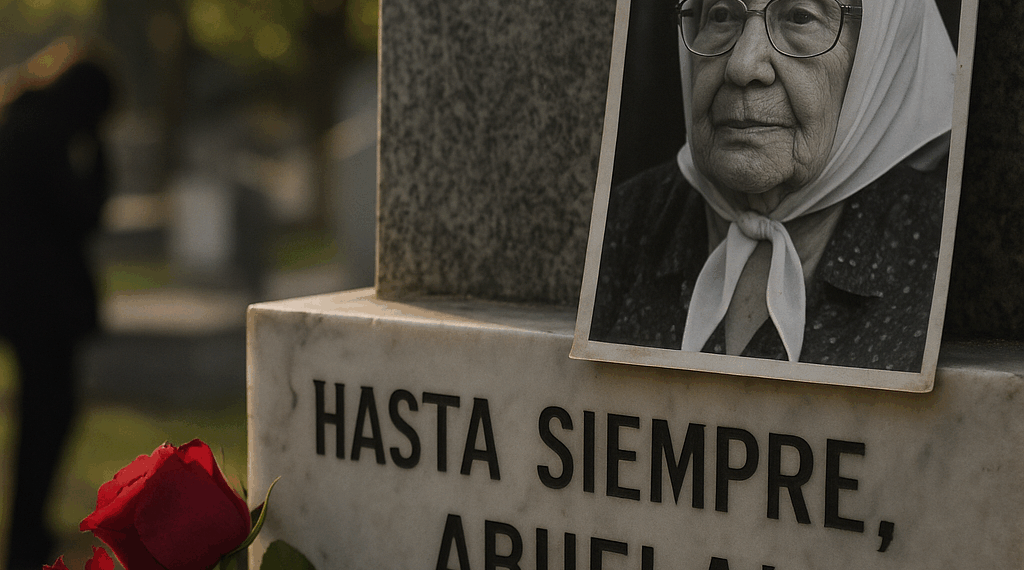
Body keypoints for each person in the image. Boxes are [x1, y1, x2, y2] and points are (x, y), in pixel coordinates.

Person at [589, 0, 956, 372]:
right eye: (721, 14)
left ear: (879, 53)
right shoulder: (630, 217)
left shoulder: (942, 249)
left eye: (800, 16)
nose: (742, 65)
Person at [0, 40, 115, 569]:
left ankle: (28, 531)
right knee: (47, 418)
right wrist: (100, 154)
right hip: (40, 309)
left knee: (41, 418)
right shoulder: (42, 136)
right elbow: (82, 213)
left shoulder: (18, 121)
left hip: (22, 302)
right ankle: (26, 536)